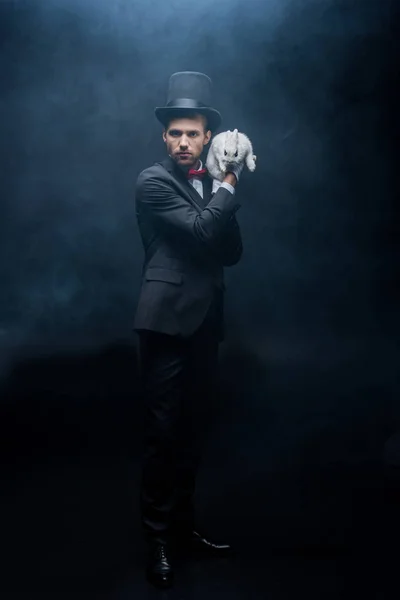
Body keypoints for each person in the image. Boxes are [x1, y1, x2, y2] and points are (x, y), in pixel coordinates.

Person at [133, 71, 245, 588]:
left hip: (205, 324)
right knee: (162, 435)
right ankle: (157, 539)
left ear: (206, 137)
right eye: (175, 133)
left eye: (192, 133)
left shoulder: (211, 179)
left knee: (193, 432)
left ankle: (184, 529)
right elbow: (204, 229)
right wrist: (228, 185)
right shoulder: (152, 181)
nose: (183, 142)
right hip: (165, 323)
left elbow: (231, 252)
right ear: (164, 136)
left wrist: (223, 187)